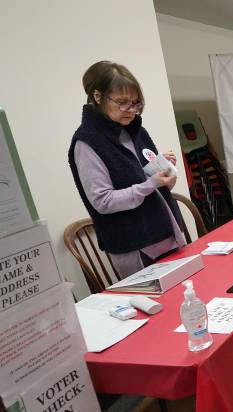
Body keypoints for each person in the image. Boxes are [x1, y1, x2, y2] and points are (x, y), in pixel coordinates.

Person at [68, 61, 186, 279]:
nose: (131, 110)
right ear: (97, 96)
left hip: (167, 233)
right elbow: (103, 201)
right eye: (123, 103)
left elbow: (160, 186)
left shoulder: (136, 131)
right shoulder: (87, 143)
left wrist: (165, 173)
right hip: (136, 246)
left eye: (135, 103)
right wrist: (151, 184)